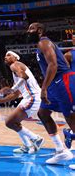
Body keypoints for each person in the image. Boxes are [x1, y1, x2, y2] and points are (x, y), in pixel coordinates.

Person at [27, 23, 75, 164]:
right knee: (43, 113)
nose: (28, 31)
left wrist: (43, 88)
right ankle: (61, 151)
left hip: (62, 81)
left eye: (31, 28)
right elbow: (63, 64)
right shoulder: (41, 45)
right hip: (56, 84)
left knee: (72, 119)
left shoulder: (44, 42)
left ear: (40, 30)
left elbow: (53, 65)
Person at [0, 51, 44, 154]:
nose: (5, 57)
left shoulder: (15, 65)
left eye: (8, 55)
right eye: (5, 55)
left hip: (32, 97)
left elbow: (24, 77)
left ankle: (36, 138)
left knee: (10, 122)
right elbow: (15, 95)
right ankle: (27, 145)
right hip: (29, 98)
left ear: (16, 57)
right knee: (13, 123)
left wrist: (11, 89)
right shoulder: (16, 73)